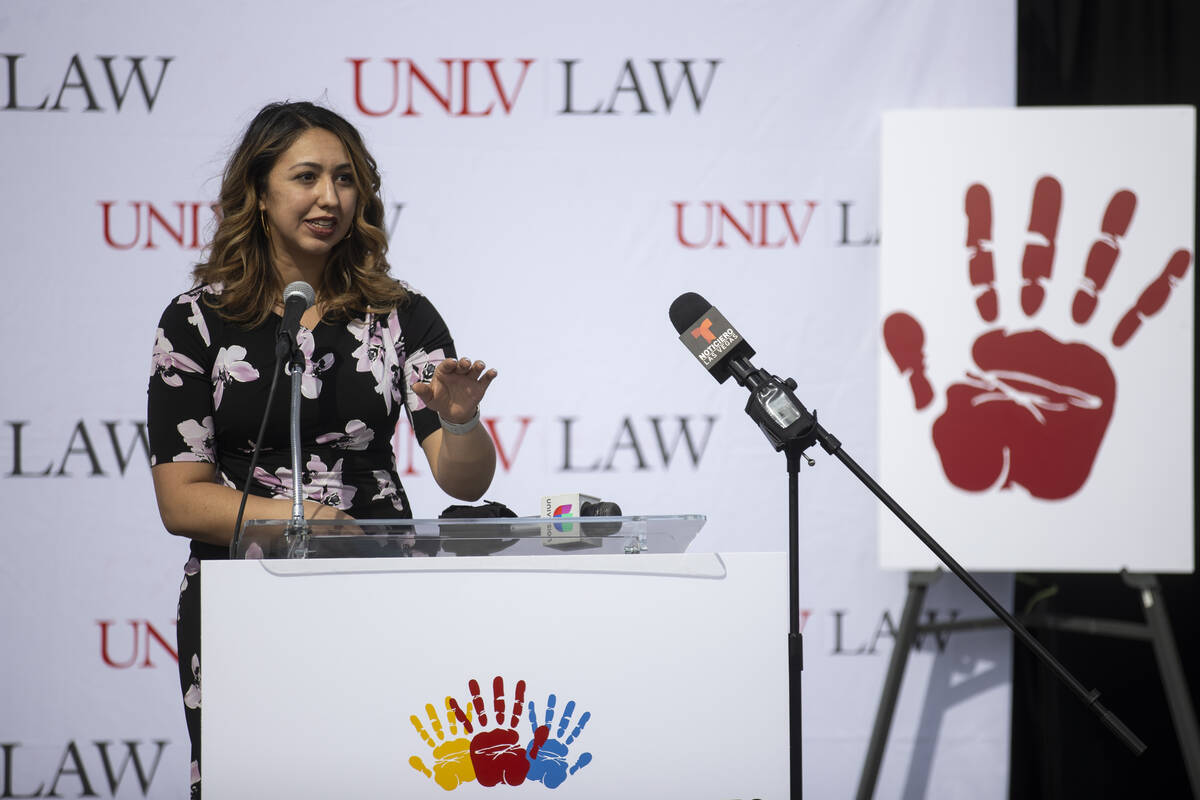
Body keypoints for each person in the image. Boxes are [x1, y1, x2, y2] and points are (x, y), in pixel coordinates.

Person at [146, 101, 497, 798]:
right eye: (306, 176)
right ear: (260, 189)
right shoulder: (195, 321)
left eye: (344, 179)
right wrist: (301, 522)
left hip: (375, 584)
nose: (329, 198)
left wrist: (458, 423)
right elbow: (181, 500)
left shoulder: (403, 316)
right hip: (244, 594)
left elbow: (465, 483)